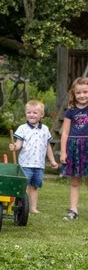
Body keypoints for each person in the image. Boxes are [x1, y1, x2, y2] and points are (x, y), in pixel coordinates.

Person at [9, 100, 58, 214]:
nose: (31, 114)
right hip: (25, 164)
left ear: (42, 115)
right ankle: (20, 207)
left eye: (35, 112)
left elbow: (47, 146)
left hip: (39, 165)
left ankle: (33, 208)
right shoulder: (22, 128)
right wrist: (14, 146)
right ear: (26, 113)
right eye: (29, 112)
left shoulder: (45, 129)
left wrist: (52, 160)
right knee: (23, 187)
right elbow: (19, 144)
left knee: (34, 187)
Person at [60, 76, 88, 220]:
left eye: (85, 92)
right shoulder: (70, 111)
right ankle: (73, 210)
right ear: (74, 94)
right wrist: (63, 152)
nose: (82, 95)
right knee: (75, 182)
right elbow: (65, 132)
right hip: (74, 148)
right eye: (79, 93)